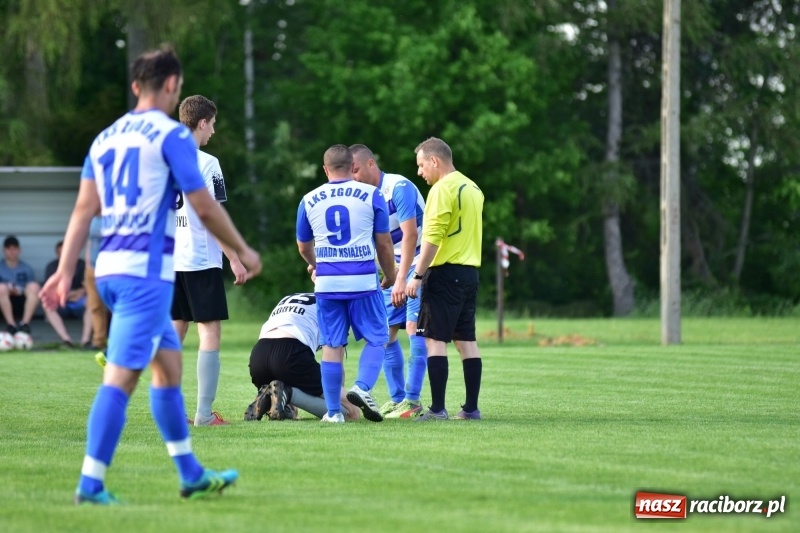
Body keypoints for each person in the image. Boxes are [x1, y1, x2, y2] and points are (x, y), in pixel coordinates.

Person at [39, 45, 262, 506]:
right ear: (173, 86)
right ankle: (90, 484)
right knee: (120, 381)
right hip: (144, 275)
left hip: (113, 268)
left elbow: (84, 210)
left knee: (168, 369)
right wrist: (240, 250)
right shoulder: (171, 137)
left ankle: (191, 474)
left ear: (136, 85)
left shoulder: (105, 138)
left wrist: (64, 272)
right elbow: (203, 205)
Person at [295, 144, 396, 423]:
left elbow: (303, 246)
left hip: (327, 283)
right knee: (377, 337)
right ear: (353, 166)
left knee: (332, 344)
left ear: (324, 169)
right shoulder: (372, 194)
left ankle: (334, 412)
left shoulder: (309, 199)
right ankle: (361, 388)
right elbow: (384, 243)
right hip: (363, 280)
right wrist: (391, 274)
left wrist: (318, 264)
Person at [171, 95, 248, 427]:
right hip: (200, 258)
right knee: (209, 331)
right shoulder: (207, 163)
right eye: (213, 124)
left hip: (170, 258)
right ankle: (203, 414)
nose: (213, 131)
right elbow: (212, 215)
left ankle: (171, 412)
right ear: (202, 123)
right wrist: (235, 257)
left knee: (175, 331)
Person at [405, 137, 485, 421]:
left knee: (434, 340)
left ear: (434, 161)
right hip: (469, 273)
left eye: (421, 165)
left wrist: (416, 274)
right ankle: (471, 409)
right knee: (466, 341)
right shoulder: (473, 187)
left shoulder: (442, 189)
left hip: (444, 273)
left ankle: (437, 409)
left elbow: (433, 237)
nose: (420, 172)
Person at [349, 144, 428, 419]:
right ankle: (397, 399)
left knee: (412, 327)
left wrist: (401, 279)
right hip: (395, 269)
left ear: (371, 164)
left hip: (421, 265)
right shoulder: (364, 197)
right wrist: (388, 274)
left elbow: (410, 236)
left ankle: (413, 401)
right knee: (384, 332)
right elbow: (376, 241)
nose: (353, 176)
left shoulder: (398, 187)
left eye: (356, 170)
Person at [244, 292, 360, 421]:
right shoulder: (334, 304)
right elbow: (335, 363)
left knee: (290, 410)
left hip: (258, 356)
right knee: (351, 413)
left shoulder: (290, 297)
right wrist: (337, 398)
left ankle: (272, 398)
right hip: (291, 352)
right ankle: (288, 394)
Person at [43, 241, 91, 347]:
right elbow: (48, 289)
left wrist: (80, 292)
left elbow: (90, 286)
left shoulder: (82, 265)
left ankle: (86, 340)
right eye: (61, 253)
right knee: (46, 305)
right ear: (57, 254)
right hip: (60, 302)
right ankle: (66, 340)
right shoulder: (52, 266)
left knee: (91, 301)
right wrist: (65, 295)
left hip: (79, 302)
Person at [0, 235, 40, 336]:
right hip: (3, 303)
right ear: (4, 250)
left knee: (35, 286)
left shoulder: (26, 268)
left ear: (19, 250)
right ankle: (11, 325)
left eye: (14, 248)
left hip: (22, 302)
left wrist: (19, 290)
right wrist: (8, 289)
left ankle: (24, 324)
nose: (12, 251)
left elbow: (32, 288)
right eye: (9, 249)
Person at [84, 216, 110, 350]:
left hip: (109, 267)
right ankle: (98, 341)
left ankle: (119, 340)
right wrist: (88, 264)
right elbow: (90, 242)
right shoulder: (93, 220)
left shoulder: (113, 215)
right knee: (95, 306)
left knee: (115, 306)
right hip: (92, 268)